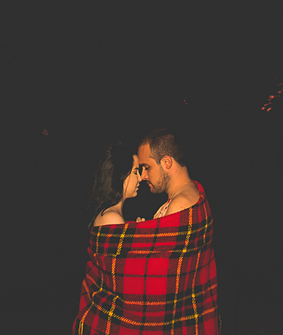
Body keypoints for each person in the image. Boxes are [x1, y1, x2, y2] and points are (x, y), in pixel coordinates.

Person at [73, 128, 220, 334]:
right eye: (137, 170)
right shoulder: (191, 194)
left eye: (146, 167)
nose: (143, 176)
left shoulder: (180, 207)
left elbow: (161, 276)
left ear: (166, 163)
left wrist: (141, 235)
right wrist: (143, 233)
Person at [85, 142, 144, 228]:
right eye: (135, 172)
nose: (140, 178)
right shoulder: (112, 218)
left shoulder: (108, 214)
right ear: (120, 176)